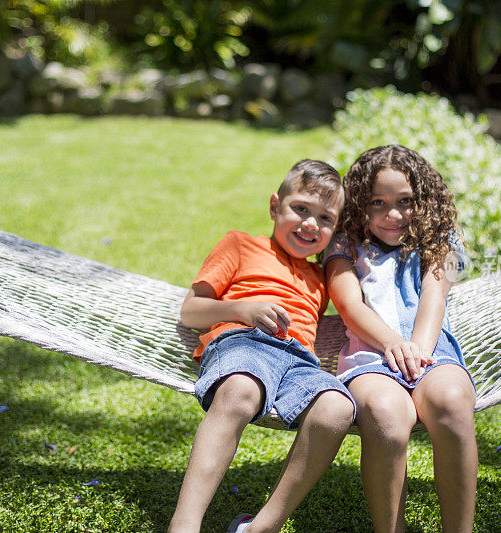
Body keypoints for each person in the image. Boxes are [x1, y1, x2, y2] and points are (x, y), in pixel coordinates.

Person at [168, 159, 356, 533]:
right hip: (243, 340)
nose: (310, 224)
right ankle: (184, 524)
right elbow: (190, 311)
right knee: (240, 389)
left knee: (336, 408)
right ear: (275, 206)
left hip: (300, 362)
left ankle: (263, 526)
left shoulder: (321, 278)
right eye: (300, 209)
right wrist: (243, 309)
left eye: (325, 218)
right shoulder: (240, 244)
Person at [324, 145, 478, 532]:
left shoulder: (438, 238)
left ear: (423, 201)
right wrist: (393, 343)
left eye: (405, 201)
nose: (393, 215)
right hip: (370, 356)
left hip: (432, 352)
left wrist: (420, 351)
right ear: (360, 203)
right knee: (386, 414)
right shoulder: (345, 243)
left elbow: (434, 294)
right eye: (378, 202)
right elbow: (348, 305)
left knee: (452, 399)